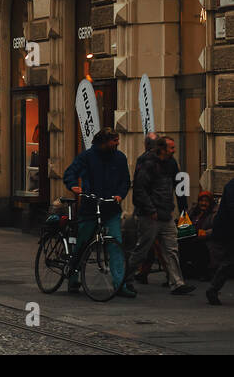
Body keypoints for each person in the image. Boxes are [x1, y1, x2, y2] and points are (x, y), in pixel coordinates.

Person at [62, 129, 131, 296]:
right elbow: (70, 172)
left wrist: (120, 195)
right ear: (104, 142)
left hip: (111, 208)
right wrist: (73, 186)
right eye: (114, 140)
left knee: (115, 245)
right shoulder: (87, 156)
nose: (117, 143)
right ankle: (73, 275)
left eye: (117, 140)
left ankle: (119, 284)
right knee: (83, 243)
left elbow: (125, 181)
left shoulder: (120, 157)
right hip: (90, 208)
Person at [124, 135, 194, 295]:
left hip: (165, 213)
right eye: (171, 148)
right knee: (142, 250)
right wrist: (151, 210)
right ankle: (125, 279)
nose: (174, 150)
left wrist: (182, 209)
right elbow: (140, 190)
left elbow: (178, 184)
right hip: (151, 216)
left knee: (171, 249)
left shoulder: (170, 163)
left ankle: (177, 282)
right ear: (162, 149)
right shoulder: (148, 163)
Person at [205, 177, 234, 305]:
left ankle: (213, 289)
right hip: (228, 229)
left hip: (228, 228)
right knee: (229, 261)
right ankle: (213, 289)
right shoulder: (231, 186)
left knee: (229, 261)